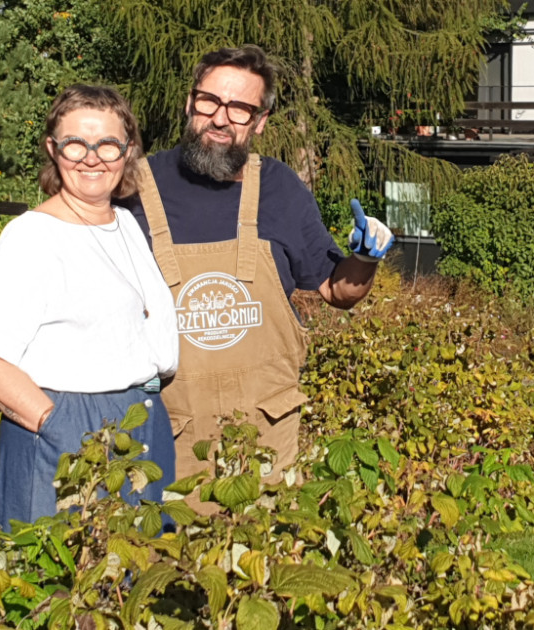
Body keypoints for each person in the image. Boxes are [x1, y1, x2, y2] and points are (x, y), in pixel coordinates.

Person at [121, 45, 393, 513]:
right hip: (169, 435)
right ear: (190, 103)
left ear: (260, 121)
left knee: (263, 570)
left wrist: (365, 257)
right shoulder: (132, 189)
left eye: (240, 109)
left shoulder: (280, 189)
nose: (221, 119)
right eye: (209, 102)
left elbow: (336, 290)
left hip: (266, 437)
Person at [0, 85, 179, 531]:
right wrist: (57, 425)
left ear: (128, 151)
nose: (92, 157)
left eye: (108, 145)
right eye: (76, 144)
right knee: (58, 583)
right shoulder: (33, 237)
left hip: (140, 422)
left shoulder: (126, 225)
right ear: (53, 149)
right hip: (69, 425)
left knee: (133, 580)